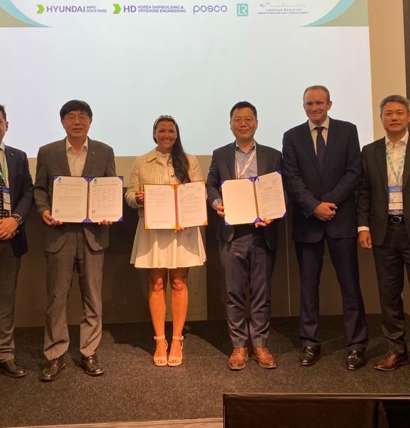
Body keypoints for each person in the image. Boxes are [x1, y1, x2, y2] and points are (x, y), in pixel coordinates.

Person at [282, 85, 368, 370]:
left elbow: (354, 171)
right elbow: (291, 178)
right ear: (303, 106)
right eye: (309, 103)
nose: (314, 108)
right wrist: (313, 206)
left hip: (341, 219)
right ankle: (309, 342)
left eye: (319, 103)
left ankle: (356, 345)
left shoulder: (348, 130)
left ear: (329, 104)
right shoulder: (292, 137)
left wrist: (328, 203)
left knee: (350, 286)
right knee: (308, 287)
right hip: (308, 222)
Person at [34, 100, 116, 381]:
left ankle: (89, 351)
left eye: (82, 116)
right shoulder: (48, 151)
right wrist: (44, 210)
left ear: (90, 121)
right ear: (62, 122)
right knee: (56, 297)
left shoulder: (105, 151)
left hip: (93, 235)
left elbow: (109, 189)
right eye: (71, 117)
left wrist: (108, 212)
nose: (77, 121)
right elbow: (40, 189)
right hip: (59, 234)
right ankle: (55, 355)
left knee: (93, 297)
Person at [125, 115, 206, 367]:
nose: (167, 135)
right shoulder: (141, 161)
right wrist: (137, 198)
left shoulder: (189, 160)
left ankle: (177, 338)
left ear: (177, 134)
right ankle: (160, 339)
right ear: (154, 134)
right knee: (157, 283)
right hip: (154, 230)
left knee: (179, 283)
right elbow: (129, 194)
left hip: (182, 230)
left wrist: (188, 213)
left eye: (171, 131)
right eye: (162, 131)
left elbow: (199, 194)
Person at [206, 101, 281, 370]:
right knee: (233, 292)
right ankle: (239, 345)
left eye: (248, 119)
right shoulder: (220, 154)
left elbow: (281, 189)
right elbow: (211, 185)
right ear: (230, 124)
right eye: (238, 119)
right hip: (232, 233)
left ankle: (260, 345)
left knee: (261, 293)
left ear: (257, 123)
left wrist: (274, 211)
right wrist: (217, 204)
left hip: (263, 233)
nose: (243, 123)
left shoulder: (273, 155)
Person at [358, 94, 410, 371]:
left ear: (408, 117)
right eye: (388, 113)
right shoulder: (370, 151)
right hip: (384, 231)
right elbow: (364, 191)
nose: (394, 117)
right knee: (389, 295)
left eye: (399, 112)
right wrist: (363, 226)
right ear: (380, 119)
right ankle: (397, 349)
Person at [0, 105, 33, 378]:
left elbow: (27, 192)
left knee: (5, 301)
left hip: (10, 237)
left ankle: (5, 354)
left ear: (6, 125)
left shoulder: (18, 156)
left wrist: (16, 219)